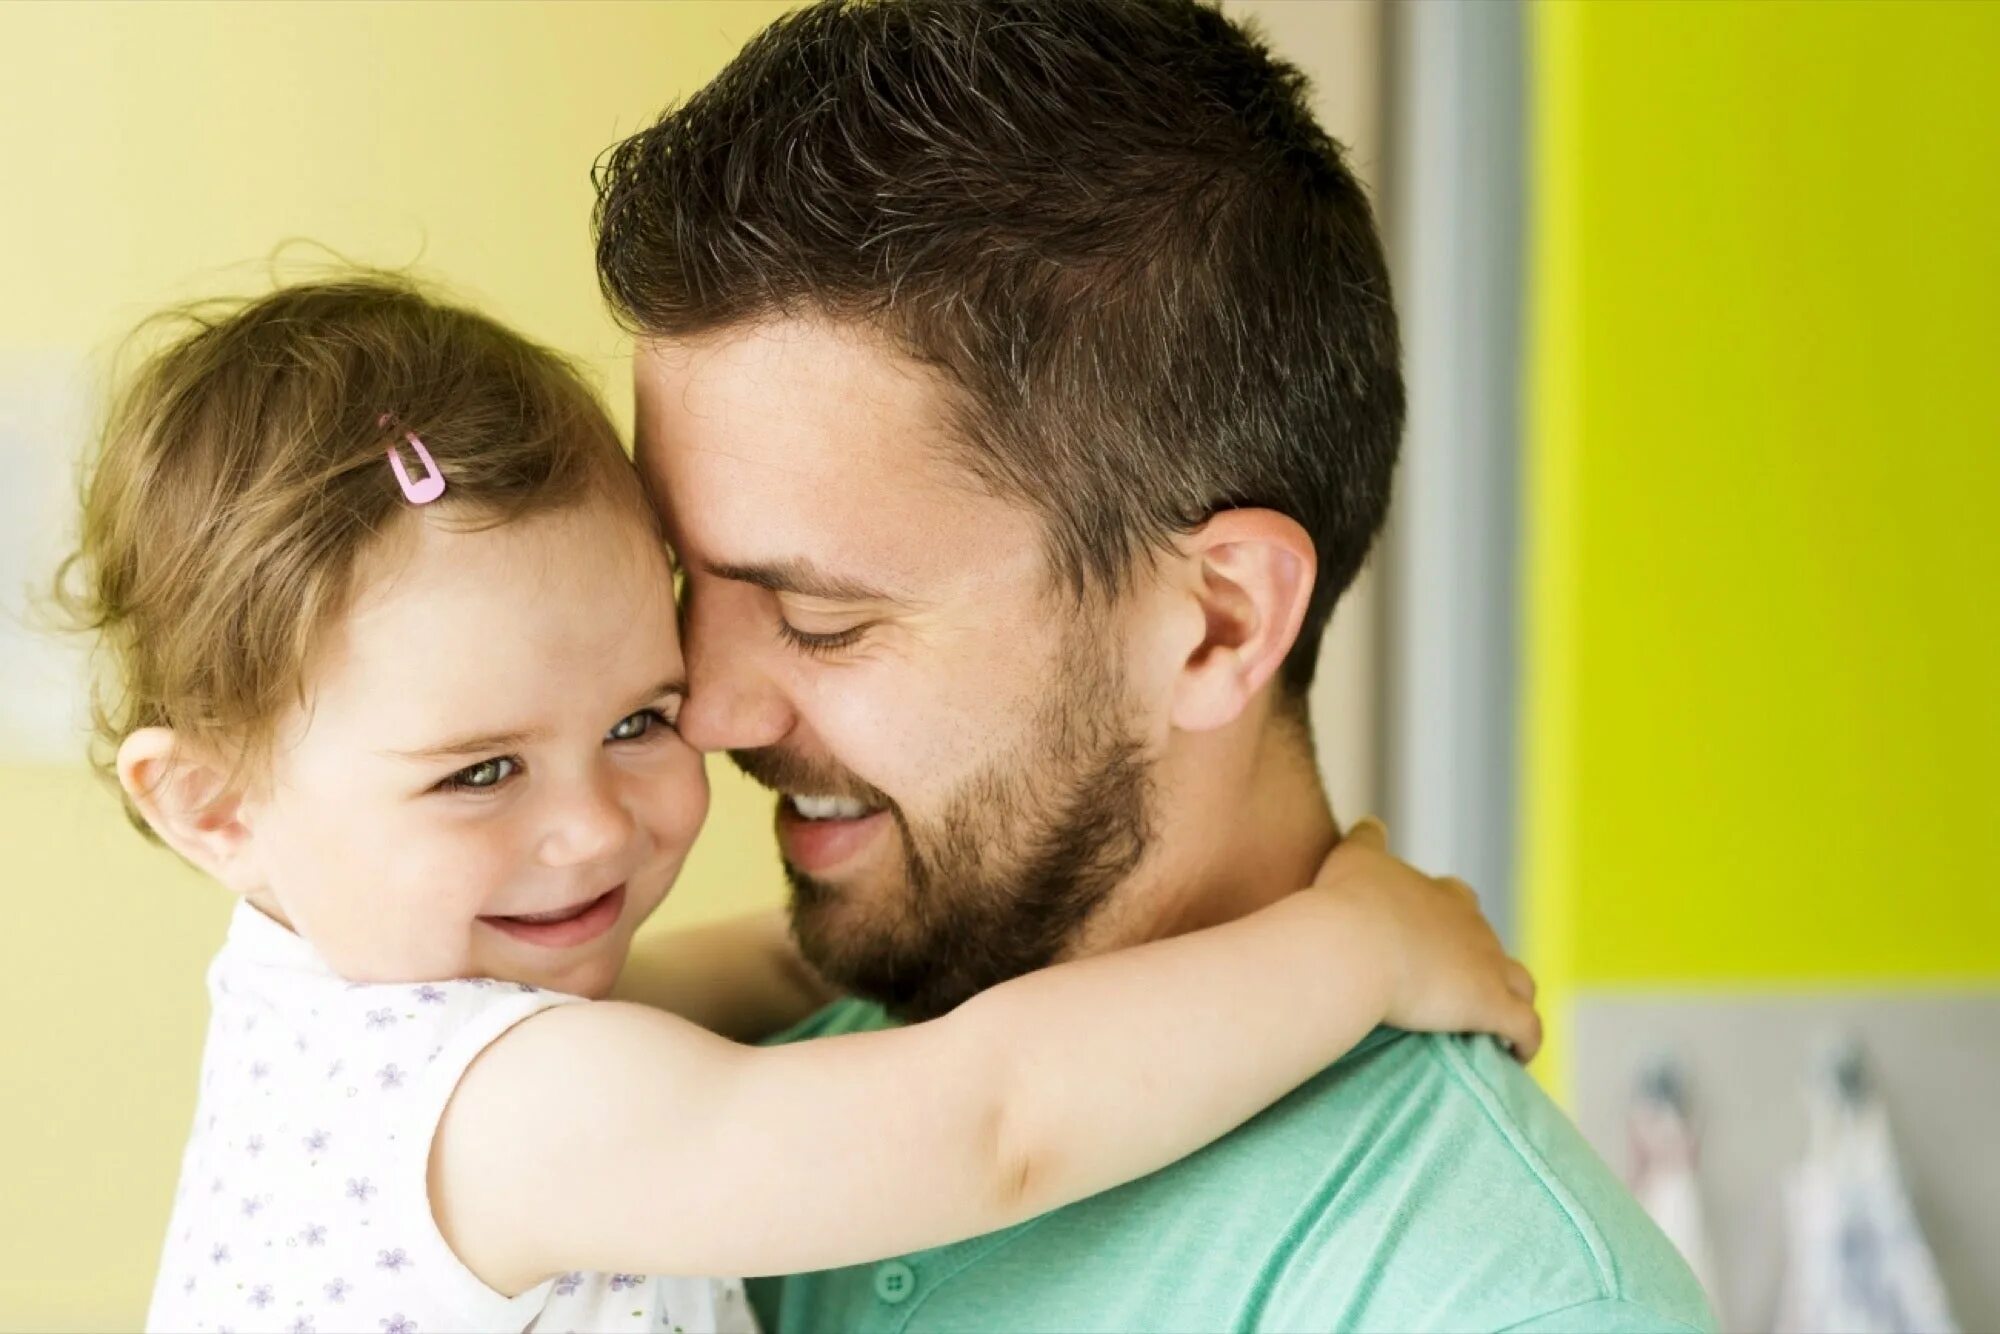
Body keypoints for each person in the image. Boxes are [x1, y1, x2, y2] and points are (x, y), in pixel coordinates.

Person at [64, 278, 1536, 1334]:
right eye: (481, 771)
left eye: (638, 718)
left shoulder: (364, 1017)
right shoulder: (503, 1119)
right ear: (211, 806)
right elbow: (994, 1122)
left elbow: (706, 980)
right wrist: (1359, 949)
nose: (597, 827)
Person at [592, 1, 1717, 1329]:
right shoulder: (714, 1115)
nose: (707, 707)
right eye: (686, 581)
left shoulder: (1493, 1298)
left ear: (1218, 622)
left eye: (821, 614)